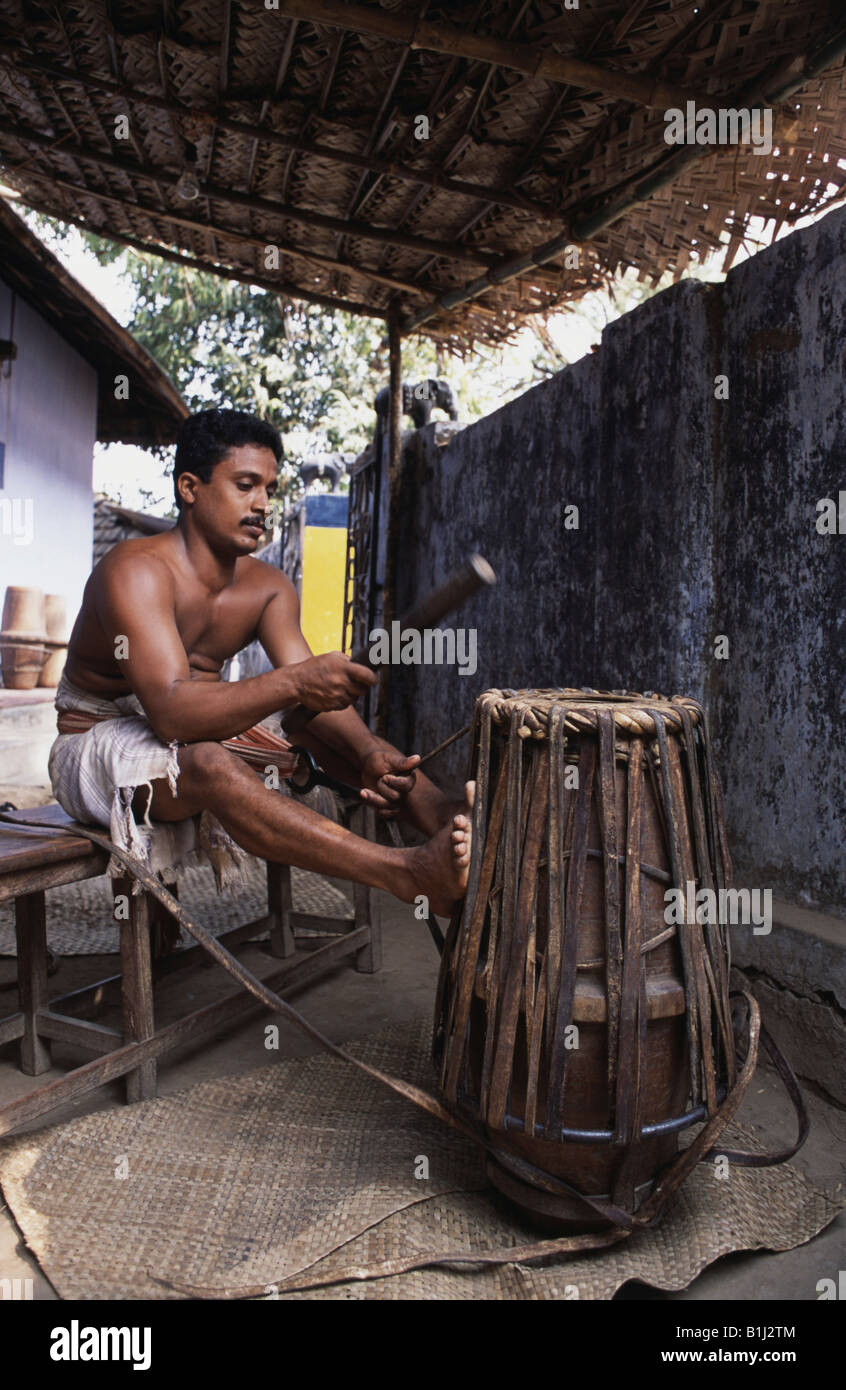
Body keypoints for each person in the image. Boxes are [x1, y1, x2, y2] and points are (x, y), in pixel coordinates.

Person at [49, 409, 472, 918]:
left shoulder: (267, 587)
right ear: (190, 487)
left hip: (194, 733)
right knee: (207, 761)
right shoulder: (135, 571)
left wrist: (364, 749)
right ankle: (406, 873)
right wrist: (296, 680)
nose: (262, 504)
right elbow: (172, 715)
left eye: (269, 488)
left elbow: (311, 698)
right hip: (95, 739)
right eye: (245, 485)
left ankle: (450, 819)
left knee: (335, 736)